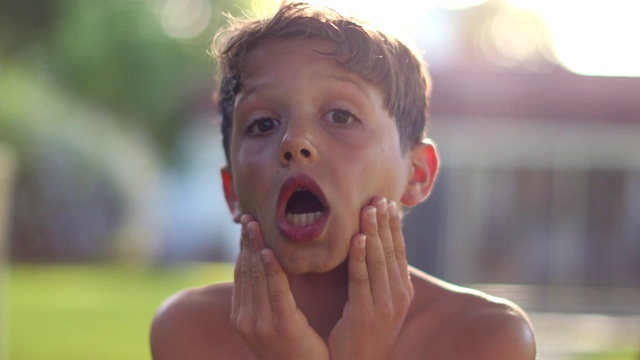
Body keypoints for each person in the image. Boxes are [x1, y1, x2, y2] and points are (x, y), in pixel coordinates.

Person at [150, 2, 536, 359]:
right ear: (232, 190)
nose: (295, 142)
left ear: (417, 174)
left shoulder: (485, 339)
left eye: (340, 116)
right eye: (263, 124)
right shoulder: (187, 332)